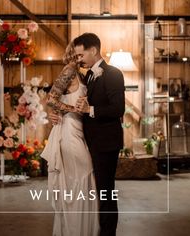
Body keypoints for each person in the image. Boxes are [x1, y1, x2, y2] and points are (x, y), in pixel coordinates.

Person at [41, 41, 100, 236]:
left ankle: (80, 229)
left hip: (79, 132)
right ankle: (76, 230)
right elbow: (51, 99)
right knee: (81, 177)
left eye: (82, 54)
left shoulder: (83, 74)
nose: (80, 58)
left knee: (80, 182)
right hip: (68, 134)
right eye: (78, 55)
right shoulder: (68, 70)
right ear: (72, 55)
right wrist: (72, 109)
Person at [73, 33, 125, 236]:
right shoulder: (89, 75)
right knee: (99, 190)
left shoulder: (113, 73)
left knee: (106, 191)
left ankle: (108, 233)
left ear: (93, 51)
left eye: (80, 55)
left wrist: (90, 110)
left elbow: (118, 109)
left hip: (106, 143)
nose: (79, 59)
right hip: (92, 142)